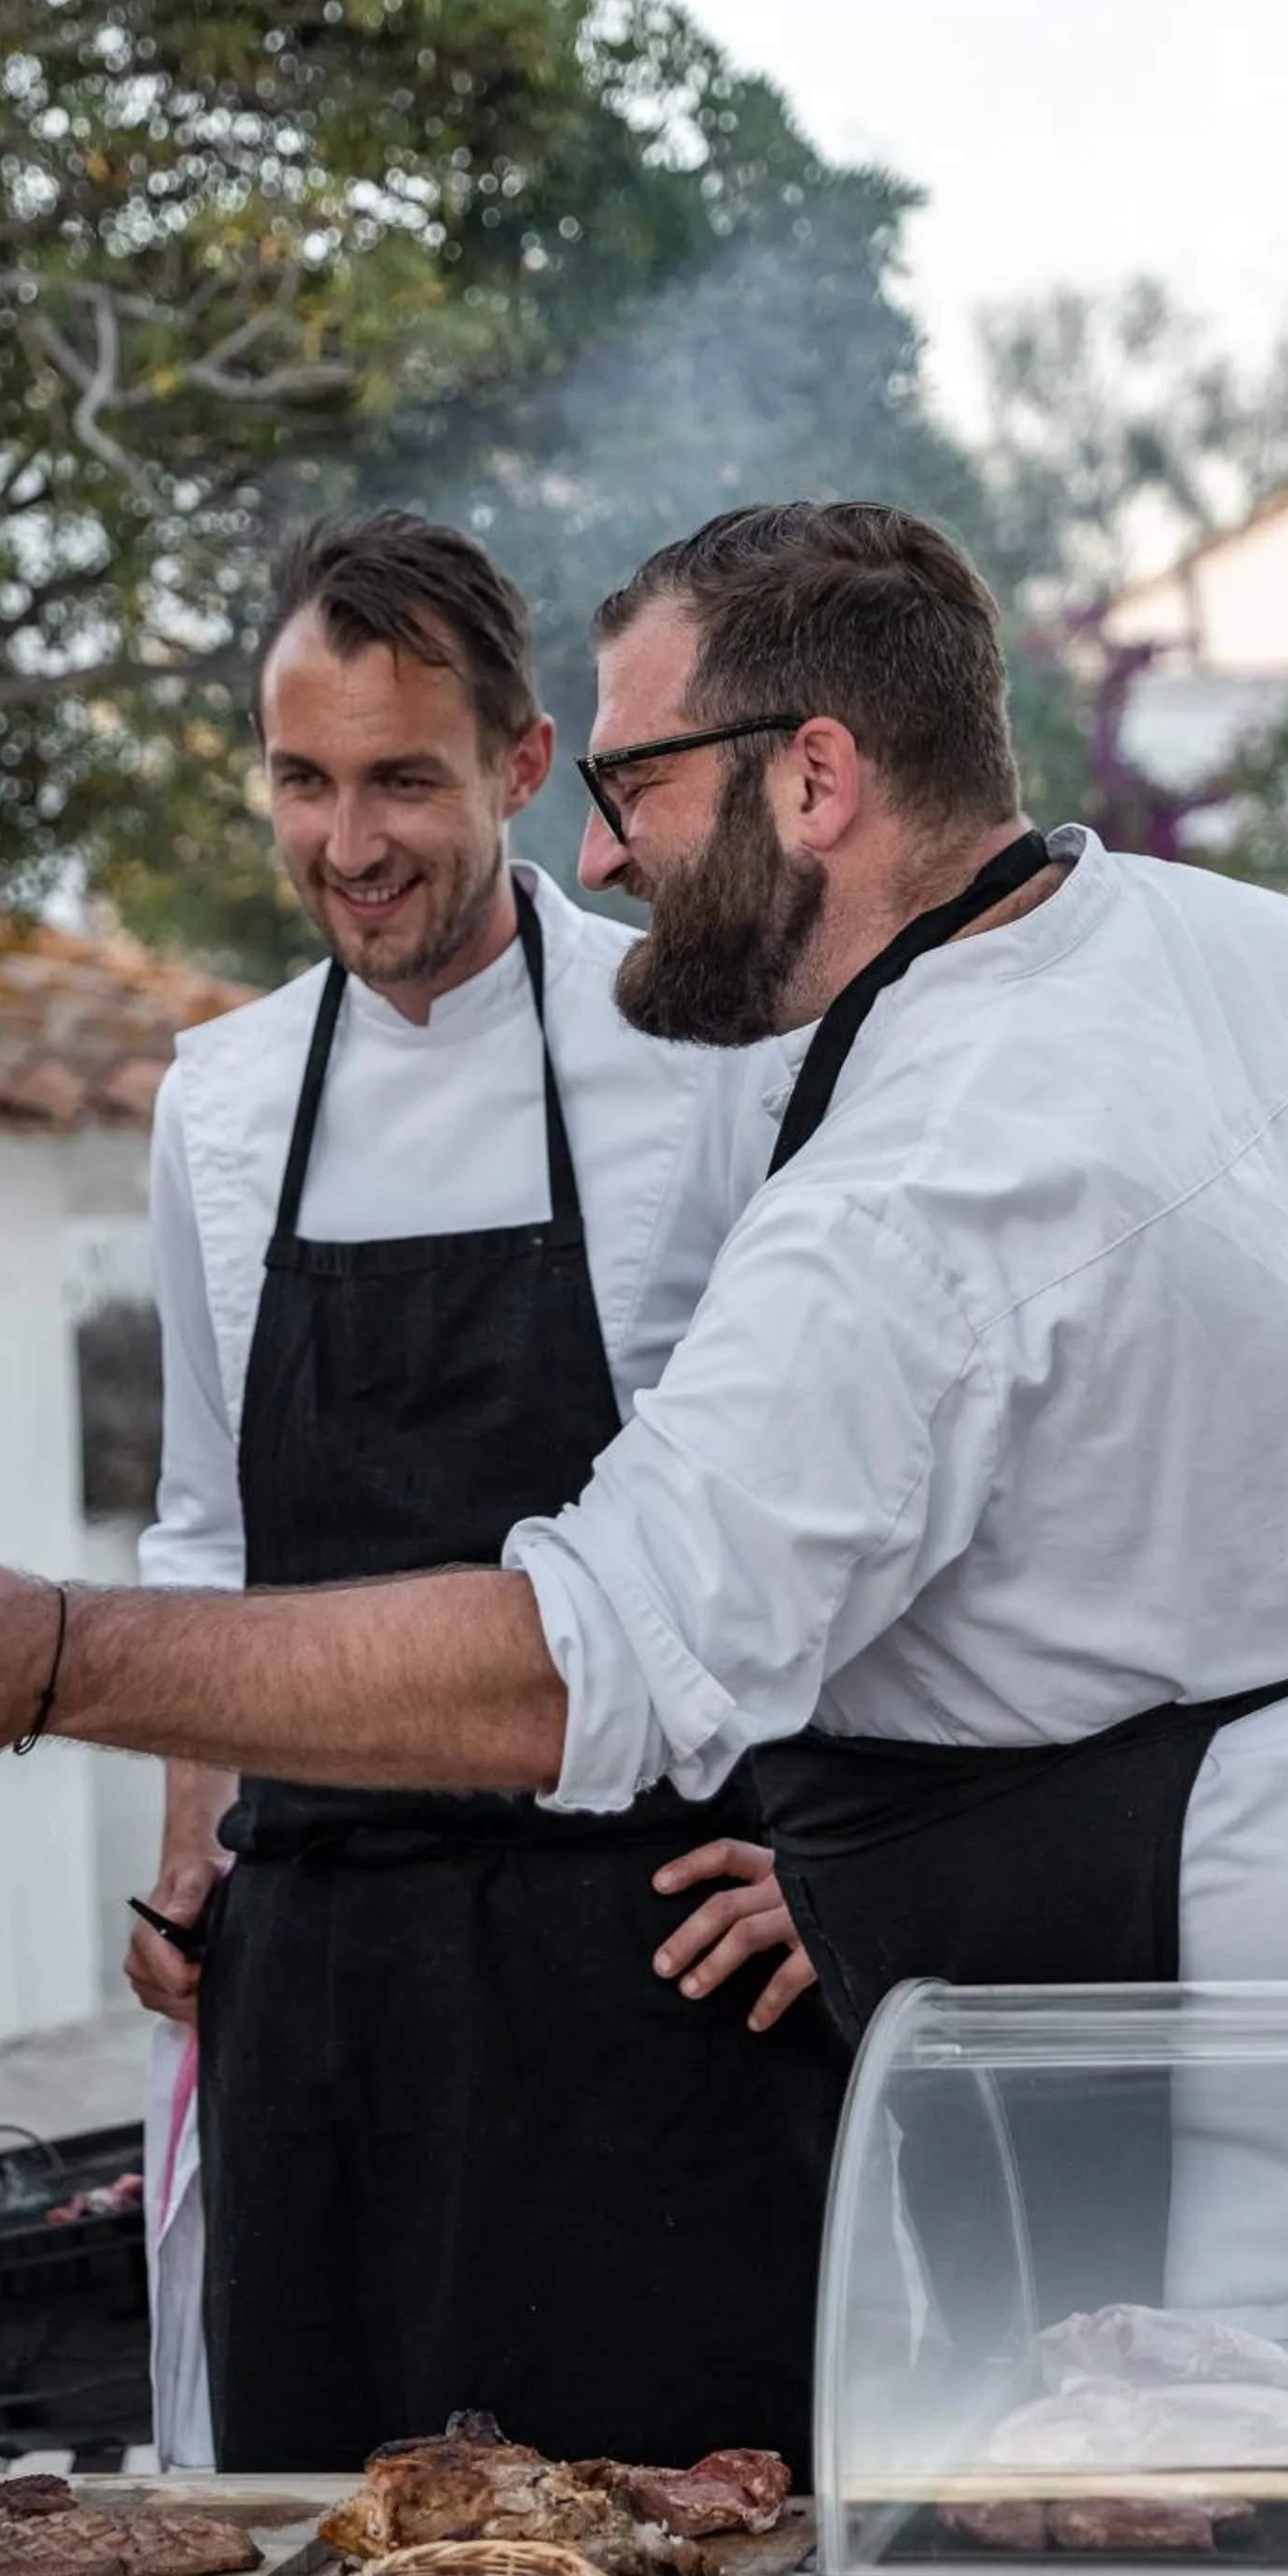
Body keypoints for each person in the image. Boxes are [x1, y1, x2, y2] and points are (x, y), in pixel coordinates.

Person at [0, 498, 1288, 2355]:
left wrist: (51, 1657)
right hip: (1283, 1928)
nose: (595, 846)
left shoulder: (907, 1200)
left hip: (1171, 2024)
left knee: (1178, 2519)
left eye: (631, 783)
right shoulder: (1274, 953)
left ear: (814, 778)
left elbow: (572, 1669)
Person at [101, 510, 846, 2471]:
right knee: (323, 2515)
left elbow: (837, 1515)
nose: (350, 844)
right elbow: (202, 1533)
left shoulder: (704, 1058)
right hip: (325, 1980)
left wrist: (841, 1864)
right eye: (305, 780)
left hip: (639, 1980)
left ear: (522, 768)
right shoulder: (224, 1102)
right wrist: (191, 1850)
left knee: (671, 2512)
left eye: (405, 781)